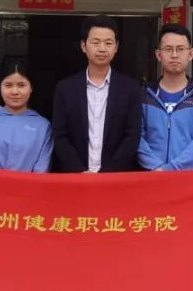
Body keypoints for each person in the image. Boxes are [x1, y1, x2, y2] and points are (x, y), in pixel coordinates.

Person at [51, 15, 143, 173]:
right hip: (76, 177)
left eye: (108, 43)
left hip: (115, 178)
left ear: (116, 47)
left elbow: (132, 136)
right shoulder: (65, 89)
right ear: (83, 45)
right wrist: (79, 172)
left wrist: (106, 174)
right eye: (96, 42)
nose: (102, 49)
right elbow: (60, 135)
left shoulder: (131, 89)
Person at [137, 23, 193, 171]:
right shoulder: (144, 95)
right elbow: (136, 138)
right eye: (168, 49)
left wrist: (171, 170)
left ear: (191, 54)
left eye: (180, 49)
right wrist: (156, 168)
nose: (174, 55)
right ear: (158, 55)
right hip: (151, 177)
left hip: (189, 180)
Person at [0, 57, 53, 172]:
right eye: (8, 85)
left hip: (29, 184)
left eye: (21, 85)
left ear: (31, 87)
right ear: (0, 87)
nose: (15, 92)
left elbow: (42, 170)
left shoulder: (43, 126)